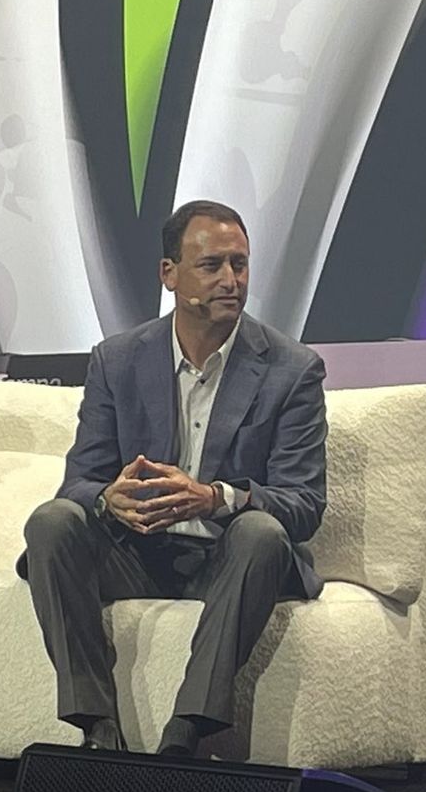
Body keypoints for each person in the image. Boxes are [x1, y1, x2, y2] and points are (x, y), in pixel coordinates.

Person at [18, 200, 328, 758]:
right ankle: (96, 726)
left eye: (240, 265)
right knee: (52, 521)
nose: (231, 280)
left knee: (261, 532)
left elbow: (304, 504)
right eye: (212, 266)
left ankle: (188, 733)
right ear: (169, 274)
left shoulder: (292, 369)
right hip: (134, 553)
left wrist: (214, 498)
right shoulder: (117, 360)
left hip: (228, 564)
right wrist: (110, 500)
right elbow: (79, 484)